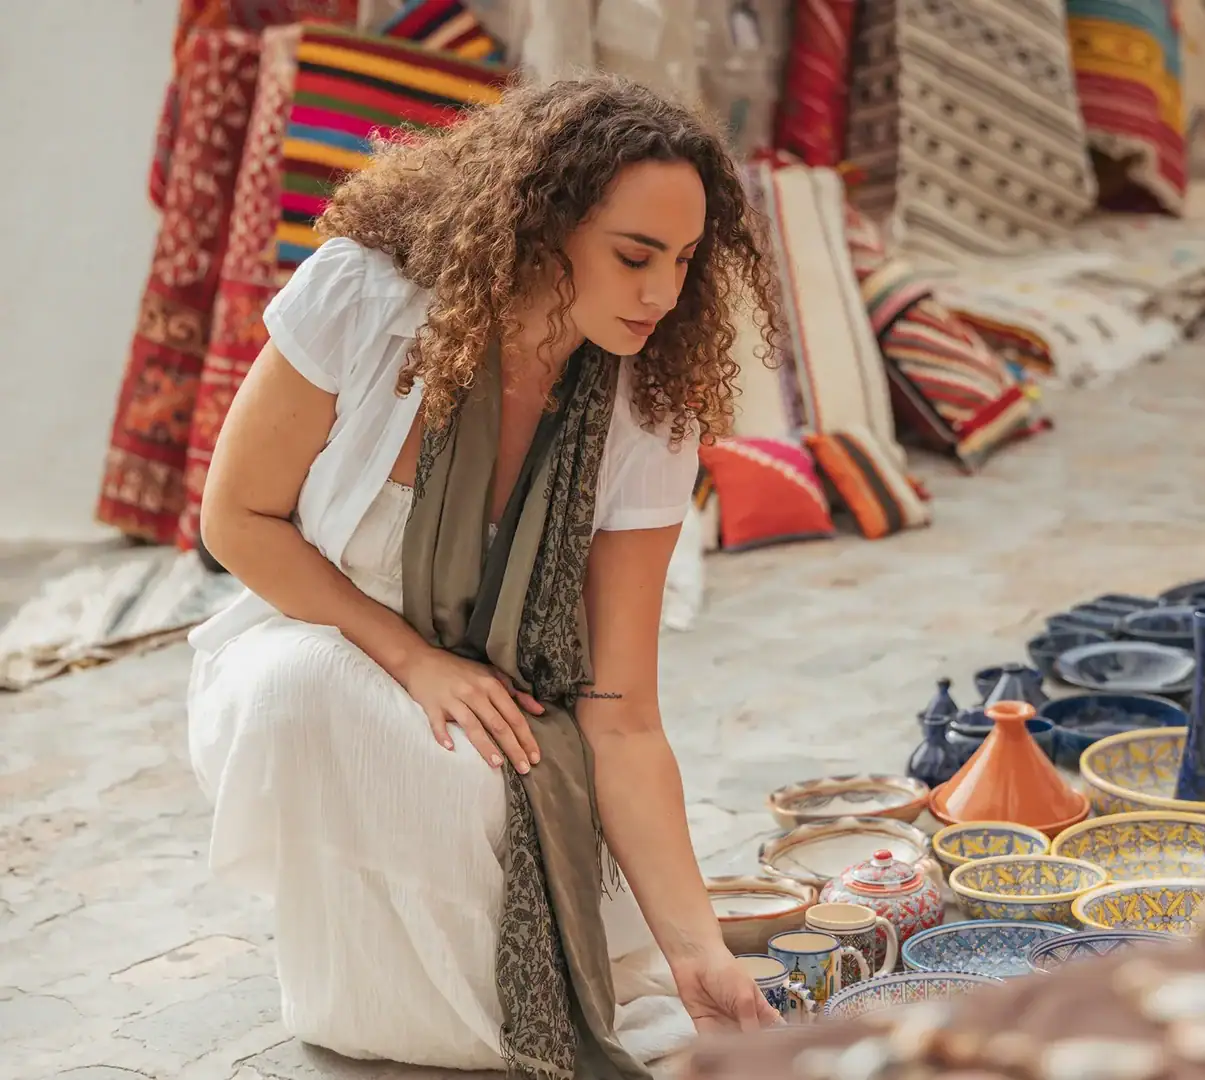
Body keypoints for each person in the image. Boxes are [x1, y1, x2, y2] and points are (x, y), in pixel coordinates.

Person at [187, 73, 781, 1077]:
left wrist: (697, 950)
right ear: (540, 224)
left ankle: (507, 1016)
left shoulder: (647, 405)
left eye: (683, 261)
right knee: (303, 696)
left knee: (490, 778)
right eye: (634, 255)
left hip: (511, 715)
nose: (663, 294)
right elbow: (236, 520)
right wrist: (416, 661)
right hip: (325, 650)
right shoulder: (362, 299)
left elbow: (621, 712)